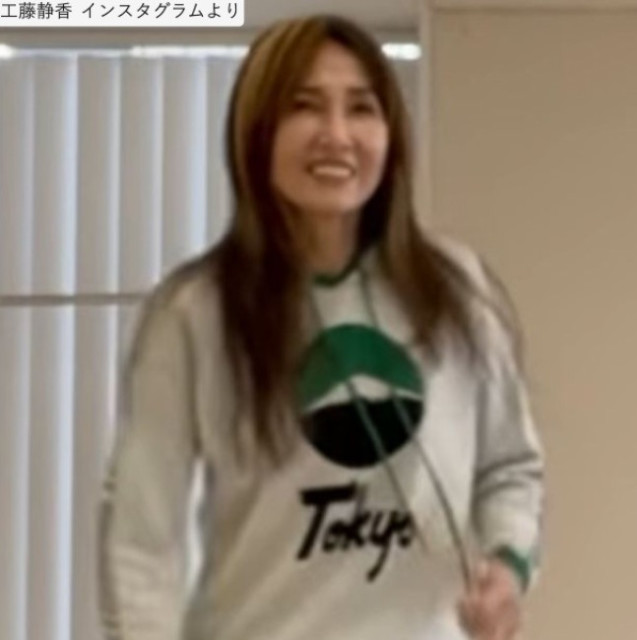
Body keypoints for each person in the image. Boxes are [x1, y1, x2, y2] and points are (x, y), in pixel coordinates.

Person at [98, 14, 544, 640]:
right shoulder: (195, 312)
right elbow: (141, 536)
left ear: (391, 136)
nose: (336, 135)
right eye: (304, 106)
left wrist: (508, 564)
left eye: (361, 109)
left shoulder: (455, 289)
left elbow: (510, 466)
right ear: (258, 131)